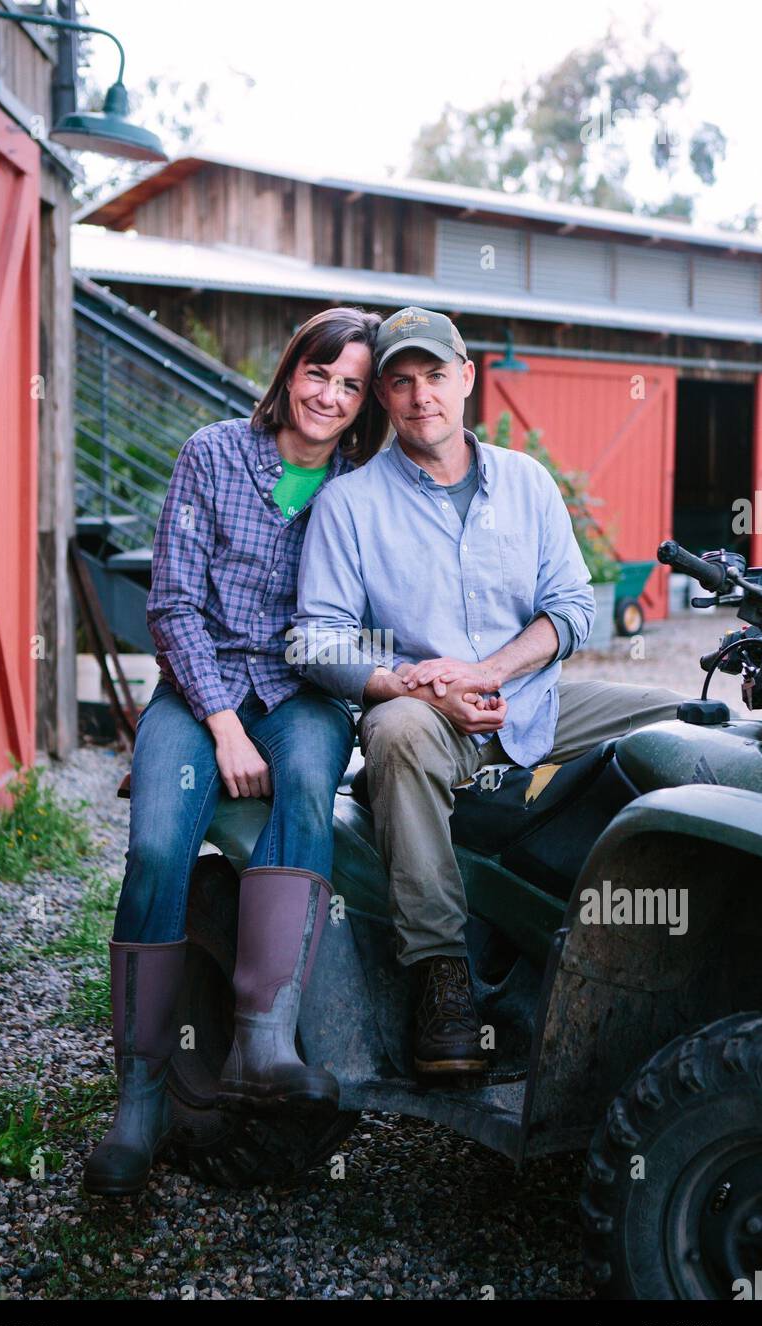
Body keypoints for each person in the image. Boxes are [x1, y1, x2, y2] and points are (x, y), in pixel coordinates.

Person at [291, 305, 688, 1083]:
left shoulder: (528, 483)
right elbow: (315, 638)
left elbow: (574, 608)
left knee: (687, 723)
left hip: (533, 702)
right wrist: (422, 685)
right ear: (382, 398)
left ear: (468, 377)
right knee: (398, 733)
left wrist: (494, 671)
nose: (419, 397)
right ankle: (442, 977)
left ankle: (663, 938)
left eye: (435, 376)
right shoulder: (350, 505)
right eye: (399, 383)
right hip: (427, 715)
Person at [83, 307, 387, 1197]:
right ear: (292, 370)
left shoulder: (360, 490)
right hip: (199, 685)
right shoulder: (213, 454)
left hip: (300, 694)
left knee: (303, 783)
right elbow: (171, 608)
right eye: (318, 373)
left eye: (350, 384)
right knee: (154, 847)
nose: (329, 395)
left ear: (364, 402)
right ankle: (137, 1101)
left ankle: (264, 1037)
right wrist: (218, 721)